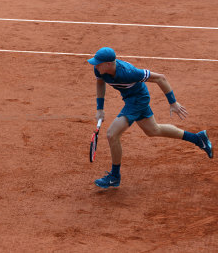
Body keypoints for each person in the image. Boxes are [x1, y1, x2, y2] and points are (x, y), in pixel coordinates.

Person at [87, 47, 213, 189]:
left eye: (98, 63)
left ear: (109, 64)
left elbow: (160, 78)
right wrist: (100, 108)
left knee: (112, 134)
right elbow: (100, 83)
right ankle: (198, 138)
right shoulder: (99, 70)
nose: (95, 65)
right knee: (153, 130)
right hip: (129, 99)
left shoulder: (129, 73)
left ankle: (115, 176)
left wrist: (173, 102)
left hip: (138, 99)